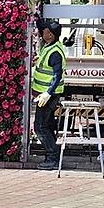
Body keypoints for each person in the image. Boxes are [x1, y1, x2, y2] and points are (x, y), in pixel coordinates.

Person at [32, 18, 67, 170]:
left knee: (40, 127)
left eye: (44, 31)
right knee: (47, 125)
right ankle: (52, 156)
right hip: (43, 94)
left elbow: (57, 75)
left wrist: (48, 93)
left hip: (48, 95)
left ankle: (52, 158)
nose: (41, 33)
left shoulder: (55, 52)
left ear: (51, 35)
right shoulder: (48, 47)